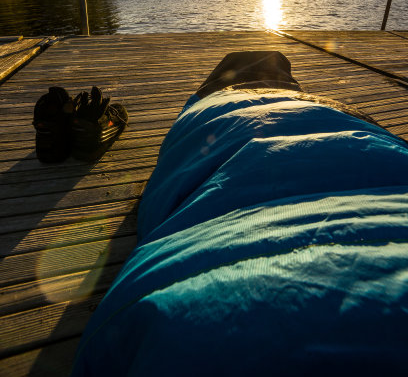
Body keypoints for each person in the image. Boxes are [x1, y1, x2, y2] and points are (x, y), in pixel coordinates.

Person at [71, 52, 408, 376]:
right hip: (337, 124)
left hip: (234, 117)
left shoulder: (204, 109)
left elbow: (165, 194)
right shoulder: (326, 106)